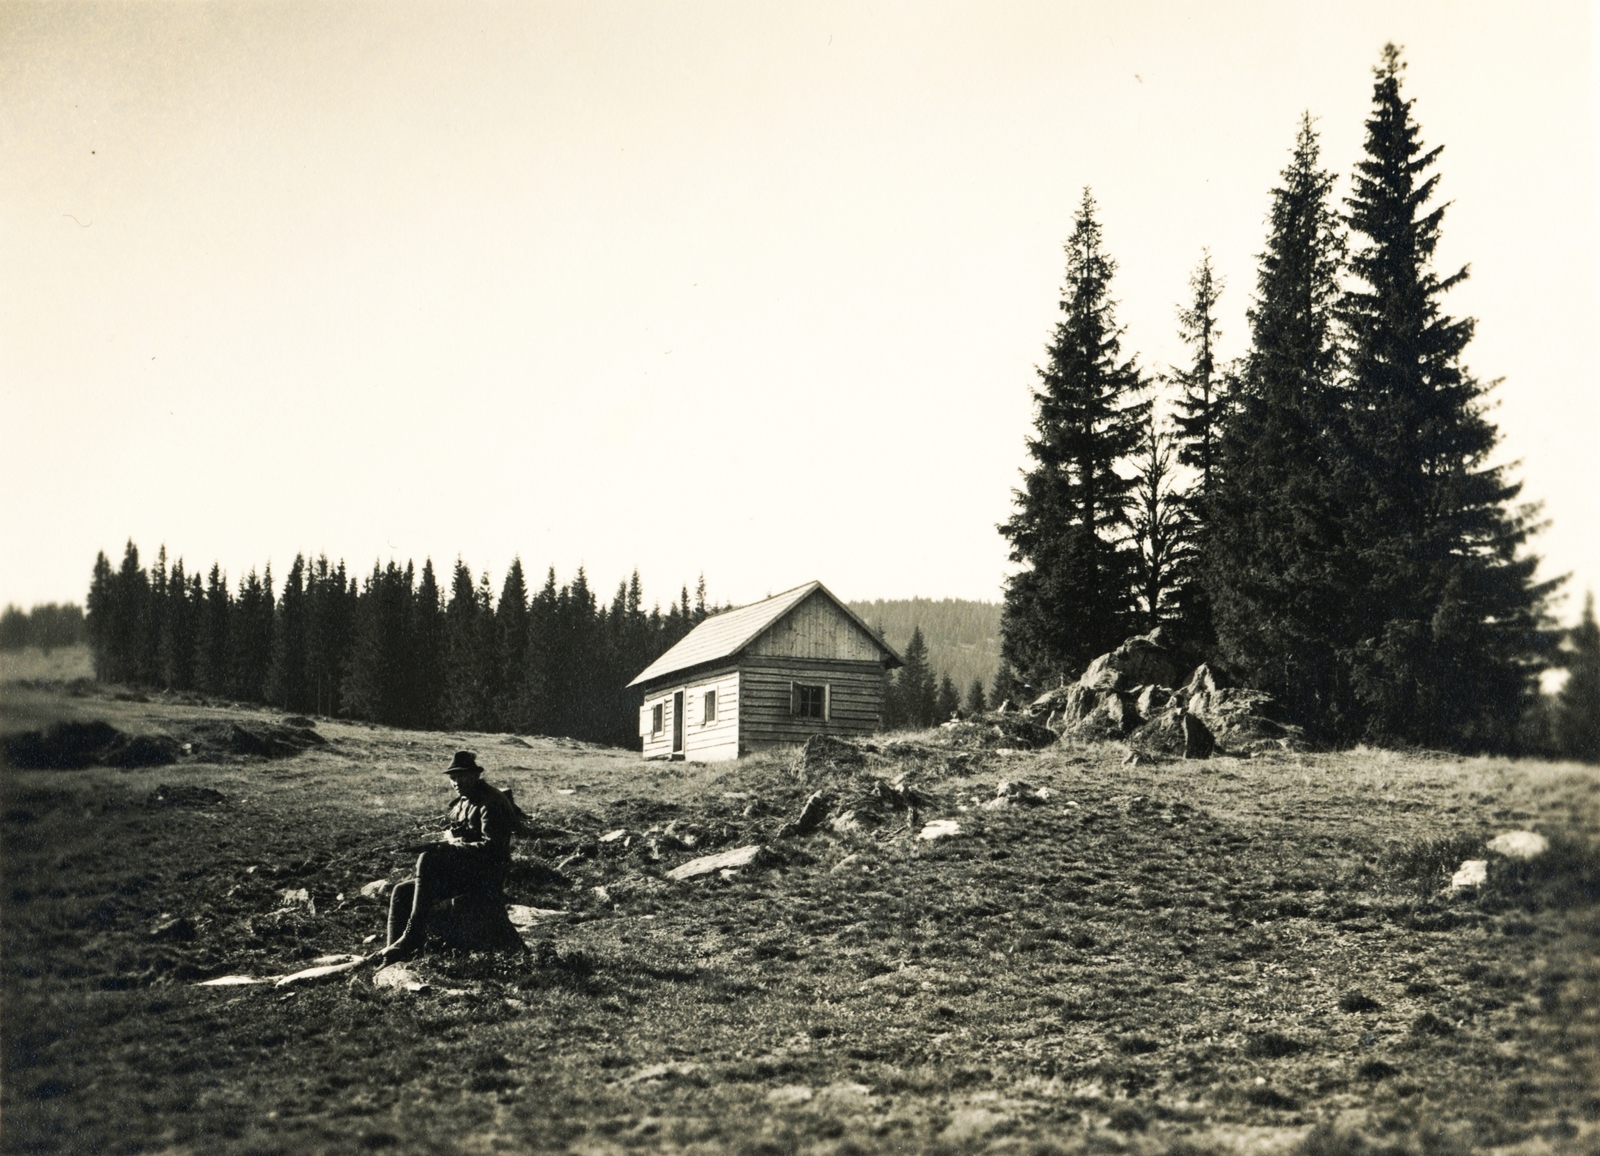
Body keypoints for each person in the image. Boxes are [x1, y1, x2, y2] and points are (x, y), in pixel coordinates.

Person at [379, 750, 518, 962]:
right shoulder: (464, 800)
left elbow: (494, 849)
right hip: (467, 871)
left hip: (485, 876)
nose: (456, 782)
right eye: (452, 778)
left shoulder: (491, 802)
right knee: (401, 892)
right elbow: (461, 832)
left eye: (461, 776)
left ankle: (413, 935)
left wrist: (452, 846)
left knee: (427, 858)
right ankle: (394, 953)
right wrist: (448, 838)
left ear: (475, 775)